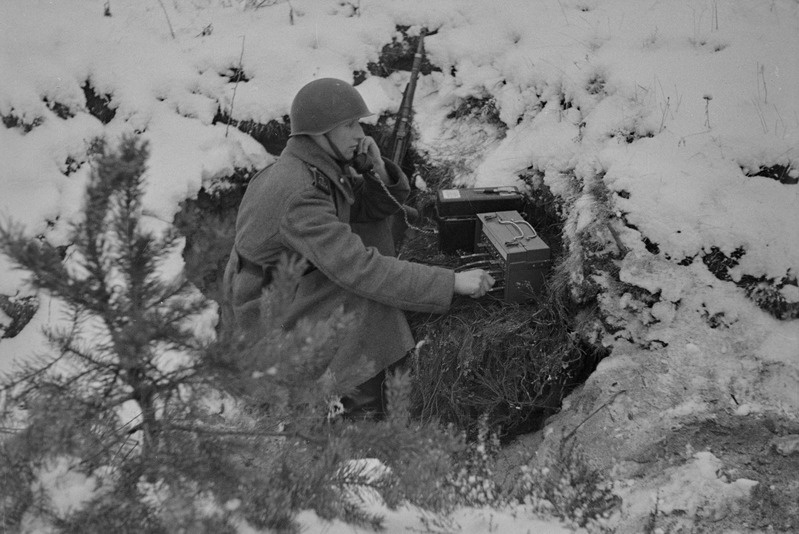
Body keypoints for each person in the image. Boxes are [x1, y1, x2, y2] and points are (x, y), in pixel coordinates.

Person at [223, 77, 494, 416]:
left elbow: (366, 211)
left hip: (281, 288)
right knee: (367, 301)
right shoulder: (301, 192)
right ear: (318, 134)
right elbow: (360, 269)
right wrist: (449, 282)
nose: (359, 135)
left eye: (358, 123)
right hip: (263, 319)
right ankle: (349, 410)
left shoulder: (308, 167)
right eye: (349, 125)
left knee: (368, 234)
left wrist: (377, 169)